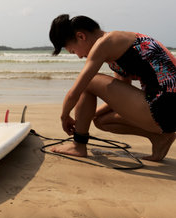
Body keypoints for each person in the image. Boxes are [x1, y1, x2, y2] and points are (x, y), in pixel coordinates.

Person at [48, 14, 175, 161]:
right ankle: (160, 138)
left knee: (90, 81)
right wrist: (92, 114)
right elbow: (119, 101)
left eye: (73, 51)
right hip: (167, 110)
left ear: (81, 36)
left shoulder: (105, 43)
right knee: (102, 120)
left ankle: (78, 145)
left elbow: (76, 91)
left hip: (166, 106)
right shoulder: (116, 51)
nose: (79, 56)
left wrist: (64, 116)